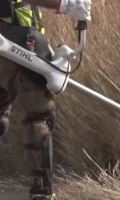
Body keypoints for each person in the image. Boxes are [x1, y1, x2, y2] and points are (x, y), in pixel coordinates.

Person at [0, 0, 91, 199]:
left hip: (14, 43)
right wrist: (64, 4)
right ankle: (42, 192)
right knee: (38, 117)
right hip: (16, 43)